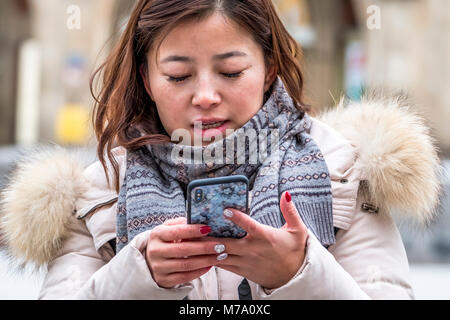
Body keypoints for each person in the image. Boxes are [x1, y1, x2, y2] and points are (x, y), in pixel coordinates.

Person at [0, 0, 442, 300]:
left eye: (230, 72)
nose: (205, 96)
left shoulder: (343, 171)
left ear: (269, 69)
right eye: (178, 76)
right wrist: (139, 275)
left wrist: (299, 274)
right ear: (147, 77)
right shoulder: (97, 189)